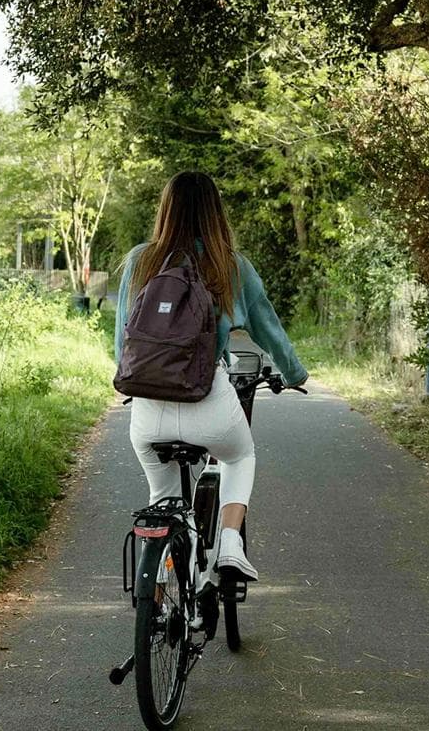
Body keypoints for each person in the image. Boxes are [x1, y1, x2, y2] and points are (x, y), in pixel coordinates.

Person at [114, 171, 308, 582]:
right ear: (215, 213)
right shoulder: (231, 266)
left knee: (164, 500)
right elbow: (269, 331)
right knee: (240, 456)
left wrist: (134, 381)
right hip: (208, 400)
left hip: (149, 411)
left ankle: (160, 596)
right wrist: (294, 374)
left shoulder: (140, 261)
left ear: (166, 211)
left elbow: (123, 341)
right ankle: (231, 543)